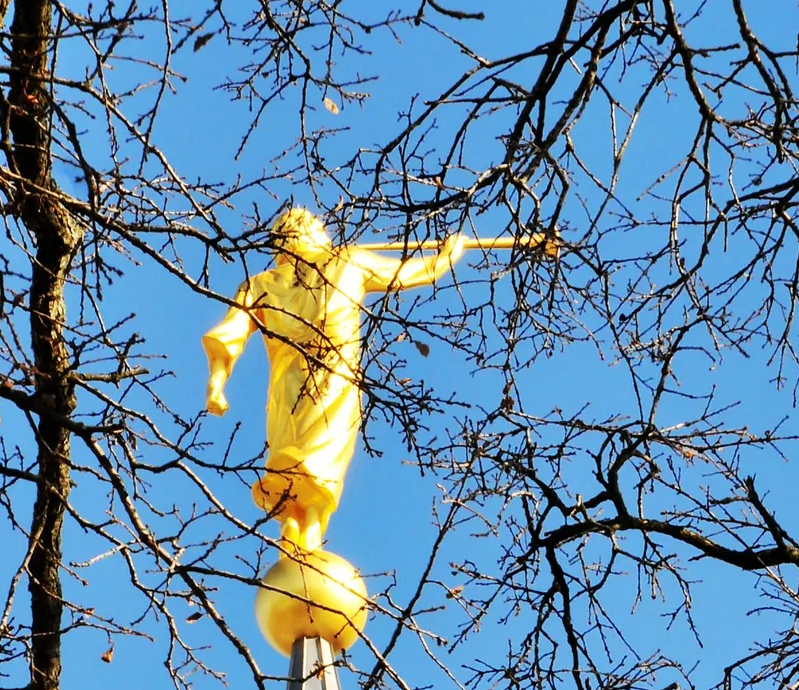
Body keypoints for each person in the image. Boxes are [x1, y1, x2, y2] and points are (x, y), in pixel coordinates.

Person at [203, 203, 546, 552]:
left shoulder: (260, 284)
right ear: (308, 232)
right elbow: (406, 274)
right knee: (324, 452)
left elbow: (229, 334)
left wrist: (217, 382)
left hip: (287, 381)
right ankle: (309, 525)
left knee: (295, 451)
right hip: (333, 375)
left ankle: (292, 519)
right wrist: (445, 257)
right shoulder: (347, 260)